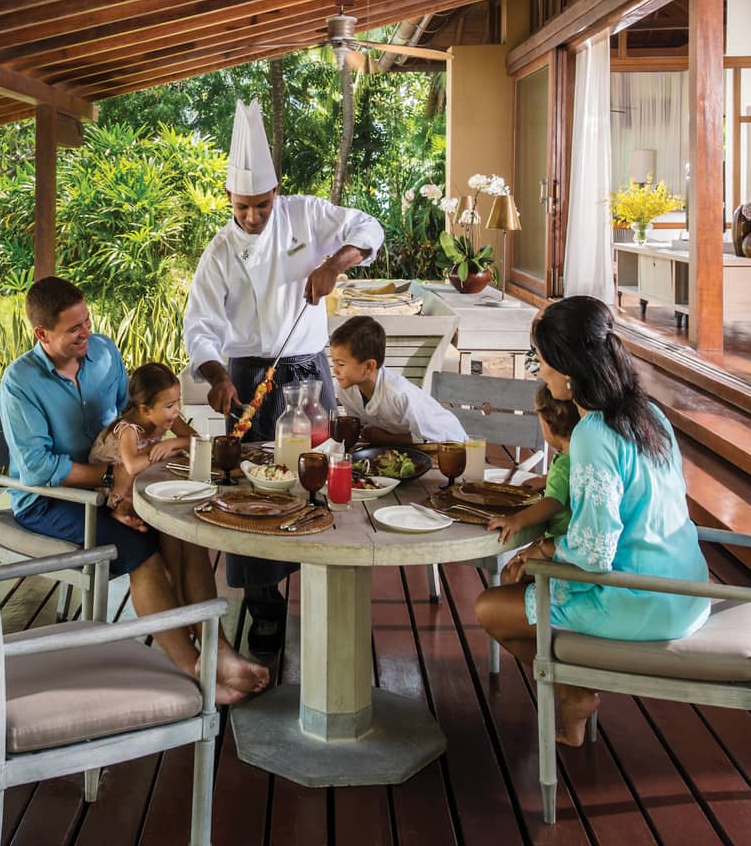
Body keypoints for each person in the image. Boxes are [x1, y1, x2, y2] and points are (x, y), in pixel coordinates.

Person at [0, 276, 268, 704]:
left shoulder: (103, 352)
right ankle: (192, 668)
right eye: (73, 329)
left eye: (87, 321)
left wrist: (181, 435)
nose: (86, 333)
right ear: (42, 334)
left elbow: (136, 414)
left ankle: (218, 651)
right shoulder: (20, 383)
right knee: (142, 552)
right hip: (50, 500)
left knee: (183, 532)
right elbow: (38, 468)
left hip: (115, 484)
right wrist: (112, 480)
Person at [183, 98, 384, 652]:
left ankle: (325, 586)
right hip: (249, 376)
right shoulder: (220, 252)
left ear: (276, 192)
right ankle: (264, 603)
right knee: (253, 486)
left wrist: (333, 264)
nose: (253, 217)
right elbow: (200, 326)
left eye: (262, 205)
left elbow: (369, 227)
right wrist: (217, 377)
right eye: (242, 207)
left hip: (310, 369)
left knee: (317, 476)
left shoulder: (305, 215)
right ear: (229, 199)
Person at [475, 295, 710, 746]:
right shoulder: (649, 413)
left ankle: (573, 694)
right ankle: (575, 691)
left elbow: (594, 553)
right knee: (522, 584)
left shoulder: (593, 434)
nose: (540, 373)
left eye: (542, 361)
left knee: (490, 607)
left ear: (568, 370)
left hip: (641, 599)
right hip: (686, 587)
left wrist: (541, 552)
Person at [484, 384, 578, 584]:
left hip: (561, 553)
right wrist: (547, 479)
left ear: (549, 422)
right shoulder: (577, 457)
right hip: (567, 546)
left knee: (509, 574)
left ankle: (519, 604)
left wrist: (516, 520)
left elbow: (553, 502)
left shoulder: (563, 463)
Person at [328, 315, 467, 445]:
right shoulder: (345, 390)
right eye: (333, 362)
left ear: (369, 366)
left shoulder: (399, 395)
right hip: (403, 446)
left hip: (449, 444)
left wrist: (386, 438)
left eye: (340, 364)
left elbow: (429, 440)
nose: (335, 370)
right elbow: (362, 428)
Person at [89, 361, 193, 521]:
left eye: (178, 400)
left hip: (138, 467)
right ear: (145, 410)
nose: (177, 409)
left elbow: (198, 440)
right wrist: (159, 449)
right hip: (111, 479)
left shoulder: (168, 417)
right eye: (170, 405)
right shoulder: (129, 429)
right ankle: (121, 508)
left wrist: (170, 444)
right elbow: (131, 467)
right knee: (159, 469)